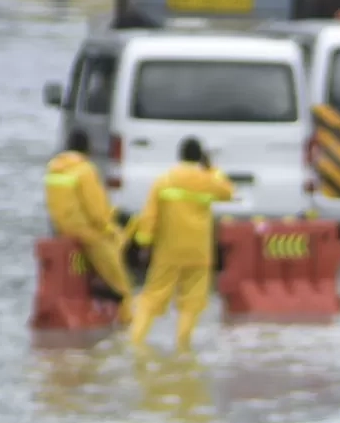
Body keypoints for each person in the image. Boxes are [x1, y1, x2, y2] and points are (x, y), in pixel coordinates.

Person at [130, 137, 235, 354]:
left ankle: (136, 341)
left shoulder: (164, 181)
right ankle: (183, 346)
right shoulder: (207, 180)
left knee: (152, 298)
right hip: (198, 253)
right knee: (191, 303)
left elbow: (150, 216)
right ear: (200, 157)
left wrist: (144, 243)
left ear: (180, 156)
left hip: (168, 251)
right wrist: (212, 168)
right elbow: (228, 191)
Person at [44, 132, 133, 314]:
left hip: (61, 228)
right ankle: (124, 313)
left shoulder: (53, 168)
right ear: (88, 149)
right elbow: (96, 210)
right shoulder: (85, 170)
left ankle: (96, 289)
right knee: (116, 264)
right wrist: (110, 229)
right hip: (84, 232)